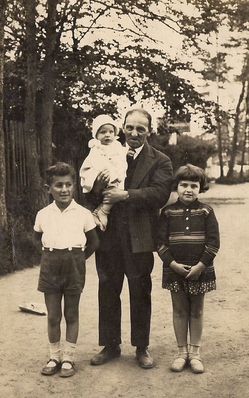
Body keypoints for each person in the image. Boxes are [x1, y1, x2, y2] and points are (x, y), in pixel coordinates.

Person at [85, 108, 173, 369]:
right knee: (108, 288)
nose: (134, 133)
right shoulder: (107, 152)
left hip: (140, 235)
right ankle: (110, 345)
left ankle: (141, 346)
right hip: (109, 235)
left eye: (140, 129)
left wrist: (126, 195)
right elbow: (89, 192)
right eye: (130, 128)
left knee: (140, 290)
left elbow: (159, 194)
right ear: (122, 127)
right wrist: (98, 186)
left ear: (149, 131)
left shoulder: (160, 160)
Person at [34, 162, 99, 377]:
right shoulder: (43, 214)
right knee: (53, 315)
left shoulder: (83, 213)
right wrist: (49, 257)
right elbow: (37, 239)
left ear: (74, 187)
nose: (64, 190)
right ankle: (54, 356)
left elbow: (94, 242)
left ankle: (69, 358)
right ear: (48, 189)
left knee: (71, 313)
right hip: (51, 265)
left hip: (74, 265)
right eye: (58, 185)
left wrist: (78, 259)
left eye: (68, 185)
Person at [157, 164, 220, 374]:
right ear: (176, 186)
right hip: (175, 269)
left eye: (194, 185)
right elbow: (160, 243)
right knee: (179, 310)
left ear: (200, 188)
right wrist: (173, 264)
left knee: (197, 310)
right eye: (184, 184)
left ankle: (195, 353)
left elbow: (213, 243)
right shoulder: (167, 212)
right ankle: (181, 352)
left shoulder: (206, 211)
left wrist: (201, 266)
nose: (188, 189)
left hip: (199, 270)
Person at [79, 114, 127, 231]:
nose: (107, 135)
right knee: (110, 191)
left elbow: (121, 155)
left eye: (111, 132)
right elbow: (95, 162)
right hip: (103, 173)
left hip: (115, 174)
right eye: (103, 132)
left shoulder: (117, 145)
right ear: (96, 135)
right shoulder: (96, 147)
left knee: (117, 191)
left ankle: (101, 211)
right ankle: (102, 212)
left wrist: (126, 153)